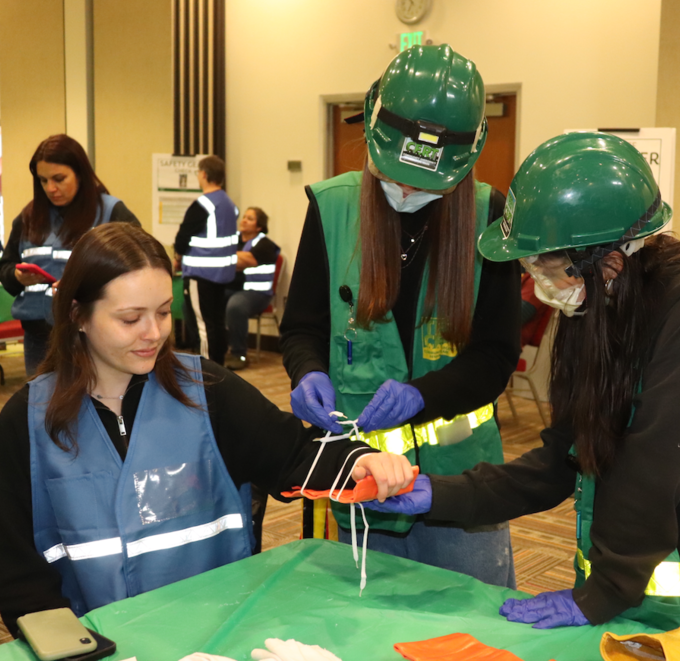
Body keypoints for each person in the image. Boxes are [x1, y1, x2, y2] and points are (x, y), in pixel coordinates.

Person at [367, 133, 680, 661]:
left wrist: (600, 594)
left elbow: (652, 467)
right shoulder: (594, 311)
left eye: (545, 267)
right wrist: (437, 493)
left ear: (608, 264)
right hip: (637, 602)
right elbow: (565, 458)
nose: (535, 287)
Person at [0, 223, 413, 636]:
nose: (153, 334)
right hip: (93, 647)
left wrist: (360, 459)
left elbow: (293, 453)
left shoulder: (207, 390)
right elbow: (19, 575)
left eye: (164, 312)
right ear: (78, 314)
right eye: (131, 319)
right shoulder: (27, 422)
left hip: (213, 637)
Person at [279, 44, 521, 588]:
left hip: (461, 486)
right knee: (371, 634)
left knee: (474, 632)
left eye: (425, 183)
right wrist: (305, 370)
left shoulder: (488, 215)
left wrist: (425, 396)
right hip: (362, 478)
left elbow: (496, 355)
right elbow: (303, 328)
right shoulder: (332, 207)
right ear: (369, 127)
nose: (407, 190)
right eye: (396, 176)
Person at [0, 134, 140, 376]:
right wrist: (17, 276)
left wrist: (81, 285)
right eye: (43, 181)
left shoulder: (111, 212)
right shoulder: (29, 216)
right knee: (42, 407)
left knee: (89, 407)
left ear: (80, 174)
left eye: (59, 179)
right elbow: (6, 267)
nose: (50, 188)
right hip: (38, 337)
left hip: (91, 338)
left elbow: (138, 268)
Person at [173, 156, 239, 366]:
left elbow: (183, 237)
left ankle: (208, 371)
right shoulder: (229, 204)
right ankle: (219, 366)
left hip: (201, 272)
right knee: (217, 323)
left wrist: (177, 257)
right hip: (223, 273)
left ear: (203, 174)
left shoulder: (203, 204)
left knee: (203, 325)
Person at [223, 206, 280, 371]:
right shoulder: (233, 239)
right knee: (203, 298)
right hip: (232, 289)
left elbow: (244, 261)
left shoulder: (265, 244)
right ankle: (212, 349)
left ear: (259, 226)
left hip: (258, 294)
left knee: (235, 306)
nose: (244, 220)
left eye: (250, 218)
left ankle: (238, 354)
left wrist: (226, 255)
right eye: (244, 217)